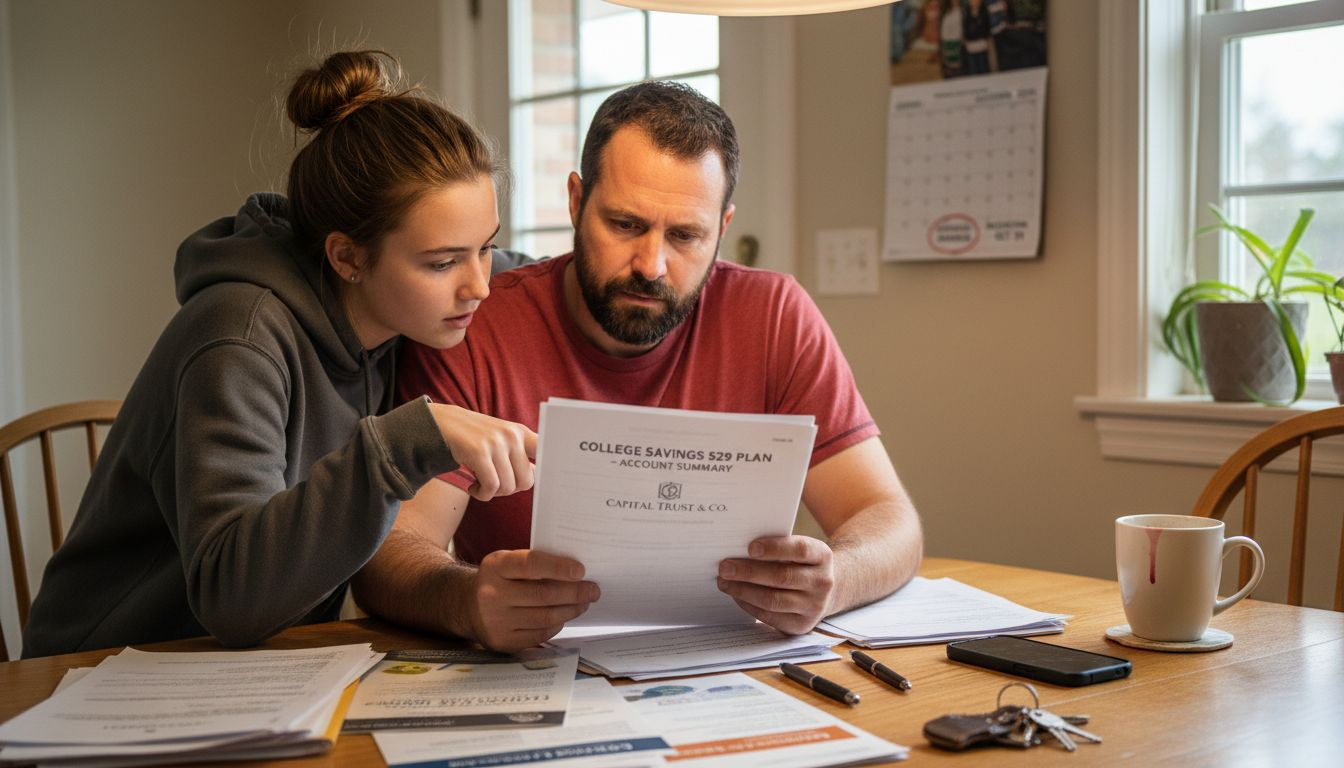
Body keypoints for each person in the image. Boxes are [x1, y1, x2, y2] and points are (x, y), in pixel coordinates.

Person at [352, 81, 923, 653]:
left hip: (729, 668)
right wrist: (465, 600)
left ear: (721, 229)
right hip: (536, 671)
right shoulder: (472, 325)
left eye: (685, 236)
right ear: (577, 202)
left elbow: (886, 518)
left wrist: (834, 581)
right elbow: (389, 553)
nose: (652, 265)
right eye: (625, 225)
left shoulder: (774, 315)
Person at [21, 50, 535, 658]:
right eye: (445, 262)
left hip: (259, 674)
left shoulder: (410, 299)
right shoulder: (238, 338)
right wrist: (406, 443)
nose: (478, 283)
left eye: (486, 247)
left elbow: (540, 282)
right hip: (102, 672)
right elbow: (231, 599)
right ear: (347, 257)